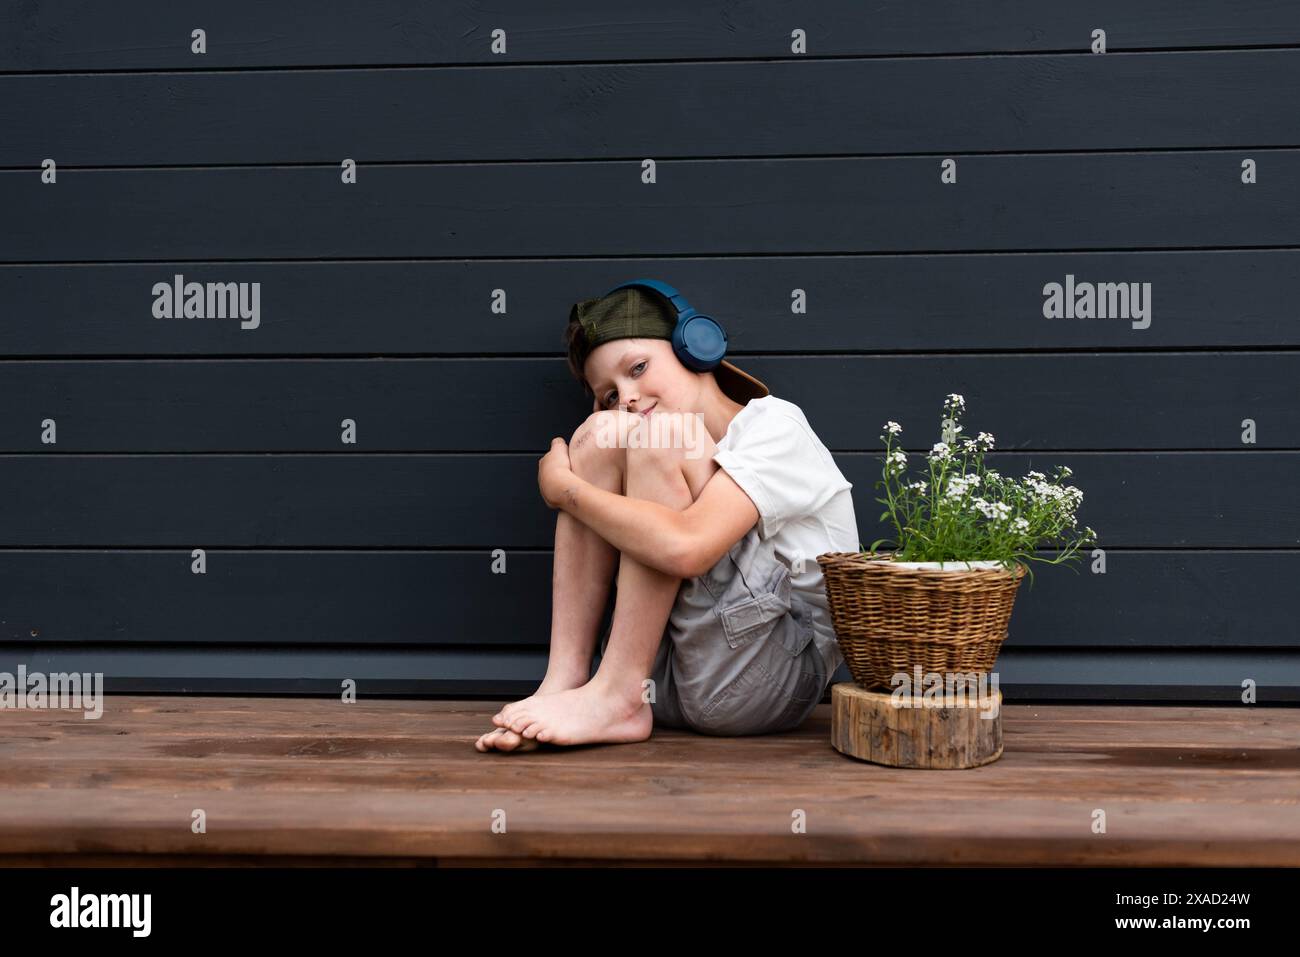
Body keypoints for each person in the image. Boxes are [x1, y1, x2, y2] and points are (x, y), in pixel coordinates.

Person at [475, 284, 859, 751]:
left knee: (667, 434)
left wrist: (565, 491)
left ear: (695, 347)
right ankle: (567, 683)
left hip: (767, 679)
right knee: (599, 435)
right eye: (609, 394)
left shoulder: (776, 426)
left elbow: (688, 548)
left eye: (638, 368)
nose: (627, 398)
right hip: (667, 677)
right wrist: (592, 451)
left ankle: (618, 696)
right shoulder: (642, 429)